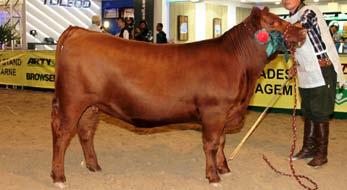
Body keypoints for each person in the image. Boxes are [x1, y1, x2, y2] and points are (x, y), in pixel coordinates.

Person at [282, 0, 345, 167]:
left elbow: (302, 27)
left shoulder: (310, 11)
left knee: (320, 112)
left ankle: (321, 153)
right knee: (308, 112)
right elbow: (299, 48)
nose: (285, 0)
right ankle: (308, 148)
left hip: (323, 70)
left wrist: (277, 26)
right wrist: (294, 65)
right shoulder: (290, 19)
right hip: (306, 72)